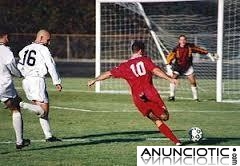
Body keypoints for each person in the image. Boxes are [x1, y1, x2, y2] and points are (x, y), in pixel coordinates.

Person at [88, 40, 181, 146]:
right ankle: (176, 141)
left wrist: (95, 80)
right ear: (141, 51)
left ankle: (177, 142)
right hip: (150, 93)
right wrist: (170, 79)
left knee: (156, 120)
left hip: (138, 99)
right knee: (165, 117)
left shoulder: (125, 66)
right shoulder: (145, 60)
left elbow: (108, 73)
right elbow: (156, 71)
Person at [17, 29, 62, 142]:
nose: (49, 43)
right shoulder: (43, 49)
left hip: (26, 81)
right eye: (48, 40)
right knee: (43, 111)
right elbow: (51, 65)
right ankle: (19, 104)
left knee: (42, 110)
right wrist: (56, 81)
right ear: (41, 37)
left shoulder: (25, 49)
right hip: (37, 81)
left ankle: (49, 136)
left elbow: (19, 65)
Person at [0, 27, 31, 149]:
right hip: (3, 85)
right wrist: (20, 74)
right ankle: (19, 141)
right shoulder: (5, 51)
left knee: (14, 105)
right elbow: (12, 68)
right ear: (4, 36)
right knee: (16, 109)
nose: (9, 39)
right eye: (8, 37)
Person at [166, 35, 216, 101]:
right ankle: (172, 96)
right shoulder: (176, 48)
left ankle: (195, 98)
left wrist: (208, 54)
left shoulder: (190, 47)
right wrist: (168, 66)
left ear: (186, 40)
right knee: (173, 79)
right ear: (179, 41)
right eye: (181, 40)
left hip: (188, 67)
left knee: (193, 82)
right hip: (178, 66)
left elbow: (199, 50)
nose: (182, 41)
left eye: (184, 40)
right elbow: (170, 57)